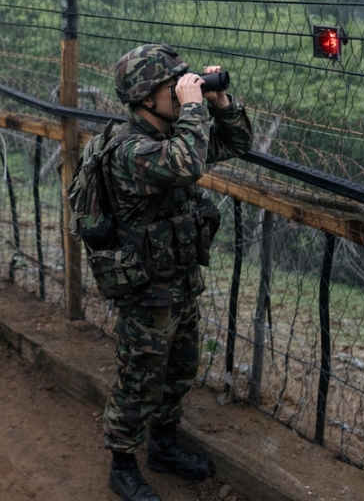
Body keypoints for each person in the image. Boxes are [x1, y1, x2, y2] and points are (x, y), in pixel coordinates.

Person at [102, 44, 252, 501]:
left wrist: (220, 103)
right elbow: (186, 167)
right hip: (147, 288)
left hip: (179, 279)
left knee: (179, 369)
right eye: (174, 85)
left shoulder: (172, 137)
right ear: (146, 97)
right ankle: (123, 465)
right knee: (140, 376)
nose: (185, 88)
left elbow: (238, 143)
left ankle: (163, 447)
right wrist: (192, 111)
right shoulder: (131, 149)